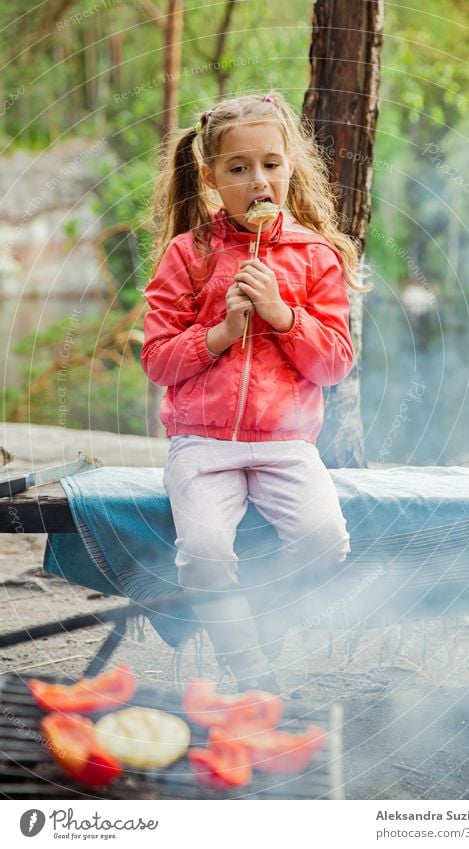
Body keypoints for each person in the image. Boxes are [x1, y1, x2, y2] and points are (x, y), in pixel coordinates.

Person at [141, 91, 372, 692]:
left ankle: (258, 630)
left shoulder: (315, 257)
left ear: (290, 166)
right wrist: (219, 335)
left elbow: (334, 365)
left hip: (286, 443)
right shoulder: (188, 255)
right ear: (212, 177)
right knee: (206, 555)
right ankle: (249, 671)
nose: (258, 181)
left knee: (326, 544)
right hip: (202, 442)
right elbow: (158, 362)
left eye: (271, 163)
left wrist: (282, 314)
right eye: (238, 168)